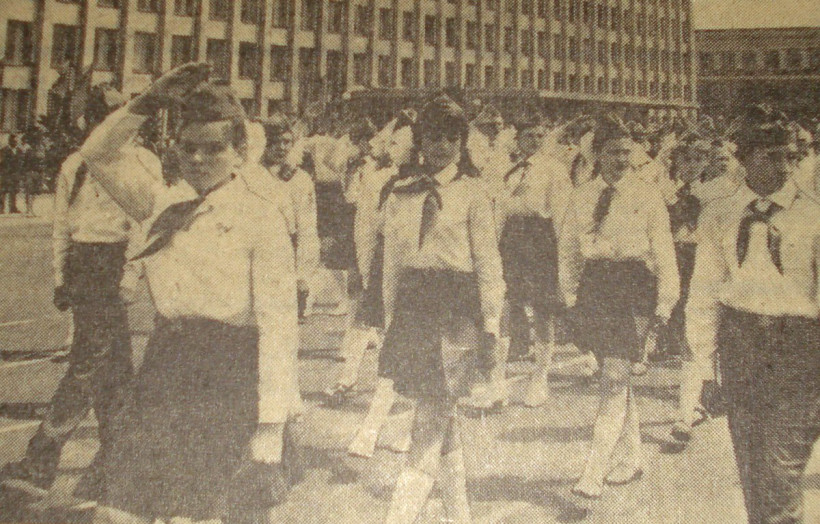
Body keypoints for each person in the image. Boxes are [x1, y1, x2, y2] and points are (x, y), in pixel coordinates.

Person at [78, 64, 302, 523]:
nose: (198, 159)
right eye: (188, 148)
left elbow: (279, 328)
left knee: (202, 513)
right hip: (164, 366)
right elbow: (97, 154)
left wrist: (271, 425)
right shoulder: (159, 204)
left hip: (227, 376)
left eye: (213, 149)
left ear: (240, 153)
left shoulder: (261, 219)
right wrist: (148, 102)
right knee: (118, 510)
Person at [686, 105, 820, 524]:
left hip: (799, 350)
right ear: (744, 159)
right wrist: (704, 368)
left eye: (790, 156)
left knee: (781, 472)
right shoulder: (720, 214)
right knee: (753, 473)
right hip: (741, 346)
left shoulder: (813, 213)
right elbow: (705, 294)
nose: (785, 167)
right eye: (772, 157)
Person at [0, 86, 135, 499]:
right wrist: (61, 277)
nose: (108, 125)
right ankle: (118, 461)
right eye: (101, 117)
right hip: (83, 265)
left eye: (116, 116)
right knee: (109, 366)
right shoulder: (74, 165)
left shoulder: (139, 162)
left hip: (113, 263)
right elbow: (61, 226)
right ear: (88, 121)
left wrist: (130, 276)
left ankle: (42, 459)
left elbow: (143, 225)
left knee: (92, 364)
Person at [379, 94, 504, 524]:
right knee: (441, 417)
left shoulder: (473, 193)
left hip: (457, 312)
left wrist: (491, 324)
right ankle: (460, 515)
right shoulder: (402, 193)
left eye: (451, 138)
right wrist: (390, 317)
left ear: (462, 142)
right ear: (420, 140)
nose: (442, 146)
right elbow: (393, 264)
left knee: (428, 423)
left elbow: (488, 264)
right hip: (415, 308)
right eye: (433, 137)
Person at [559, 115, 679, 499]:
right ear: (598, 155)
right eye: (614, 152)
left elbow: (664, 250)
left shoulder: (648, 194)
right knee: (617, 376)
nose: (622, 160)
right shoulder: (582, 196)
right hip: (596, 288)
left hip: (634, 287)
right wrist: (570, 297)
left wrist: (666, 302)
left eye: (627, 152)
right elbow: (569, 251)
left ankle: (593, 472)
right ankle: (633, 456)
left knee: (613, 377)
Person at [666, 136, 742, 447]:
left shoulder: (719, 193)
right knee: (687, 337)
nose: (691, 165)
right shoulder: (672, 191)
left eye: (698, 159)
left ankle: (686, 413)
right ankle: (698, 399)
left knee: (698, 337)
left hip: (706, 264)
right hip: (680, 263)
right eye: (685, 159)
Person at [492, 115, 571, 408]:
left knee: (542, 312)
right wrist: (493, 242)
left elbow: (562, 214)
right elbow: (499, 209)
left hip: (541, 240)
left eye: (540, 136)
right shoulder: (507, 169)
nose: (536, 142)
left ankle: (540, 379)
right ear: (518, 140)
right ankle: (497, 381)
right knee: (502, 306)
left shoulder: (554, 169)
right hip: (511, 239)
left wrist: (562, 255)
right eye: (530, 136)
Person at [259, 114, 320, 322]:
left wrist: (302, 275)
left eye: (286, 142)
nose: (281, 147)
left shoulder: (299, 179)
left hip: (284, 257)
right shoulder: (250, 177)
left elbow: (307, 228)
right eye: (274, 141)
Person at [0, 134, 22, 214]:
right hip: (6, 174)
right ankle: (1, 208)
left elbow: (20, 162)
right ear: (10, 141)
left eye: (16, 141)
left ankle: (13, 208)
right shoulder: (4, 150)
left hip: (15, 174)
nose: (15, 142)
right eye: (13, 141)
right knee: (3, 191)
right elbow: (1, 162)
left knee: (14, 191)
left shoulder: (19, 150)